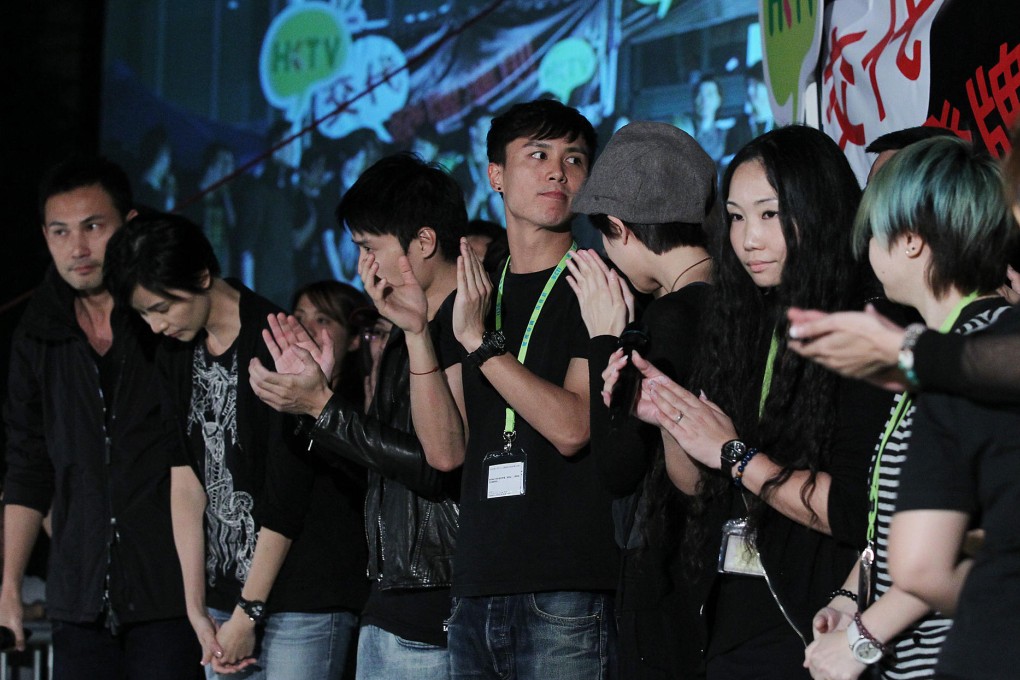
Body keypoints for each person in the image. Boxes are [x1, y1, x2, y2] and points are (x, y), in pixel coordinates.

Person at [616, 126, 892, 678]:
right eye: (737, 217)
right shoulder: (741, 321)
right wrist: (671, 416)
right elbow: (699, 485)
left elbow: (857, 511)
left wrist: (736, 455)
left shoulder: (869, 328)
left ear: (818, 208)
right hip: (729, 621)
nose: (748, 240)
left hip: (818, 623)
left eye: (769, 214)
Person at [399, 98, 619, 678]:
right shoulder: (475, 292)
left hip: (566, 586)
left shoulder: (595, 283)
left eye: (574, 159)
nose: (557, 171)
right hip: (475, 584)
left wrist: (481, 345)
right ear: (495, 174)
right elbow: (446, 451)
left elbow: (574, 427)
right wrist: (420, 332)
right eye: (538, 155)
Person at [103, 213, 368, 679]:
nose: (155, 325)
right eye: (144, 314)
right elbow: (185, 478)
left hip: (301, 595)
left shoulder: (276, 339)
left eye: (161, 307)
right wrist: (196, 607)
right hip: (225, 602)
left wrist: (250, 611)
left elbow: (287, 493)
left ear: (203, 276)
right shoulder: (174, 352)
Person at [802, 136, 1014, 680]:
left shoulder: (970, 355)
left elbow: (937, 556)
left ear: (912, 242)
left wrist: (863, 638)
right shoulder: (948, 350)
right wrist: (850, 600)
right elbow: (897, 523)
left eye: (874, 232)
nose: (867, 249)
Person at [248, 152, 463, 680]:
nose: (362, 266)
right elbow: (382, 469)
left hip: (435, 608)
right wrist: (316, 403)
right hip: (392, 598)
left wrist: (323, 406)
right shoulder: (407, 331)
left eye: (370, 248)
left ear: (424, 242)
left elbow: (438, 465)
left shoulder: (461, 325)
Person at [1, 157, 201, 678]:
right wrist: (9, 590)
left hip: (171, 593)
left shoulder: (165, 321)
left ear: (128, 224)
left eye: (94, 226)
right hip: (78, 599)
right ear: (44, 237)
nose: (78, 248)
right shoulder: (36, 334)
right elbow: (27, 468)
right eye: (61, 232)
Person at [567, 121, 718, 678]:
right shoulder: (740, 305)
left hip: (669, 573)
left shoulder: (662, 321)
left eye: (605, 237)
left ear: (619, 228)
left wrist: (606, 336)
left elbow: (619, 467)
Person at [786, 123, 1020, 402]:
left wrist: (904, 348)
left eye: (878, 221)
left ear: (911, 239)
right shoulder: (944, 351)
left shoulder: (975, 346)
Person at [291, 280, 368, 408]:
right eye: (299, 318)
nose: (305, 329)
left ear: (354, 340)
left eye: (321, 320)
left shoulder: (364, 407)